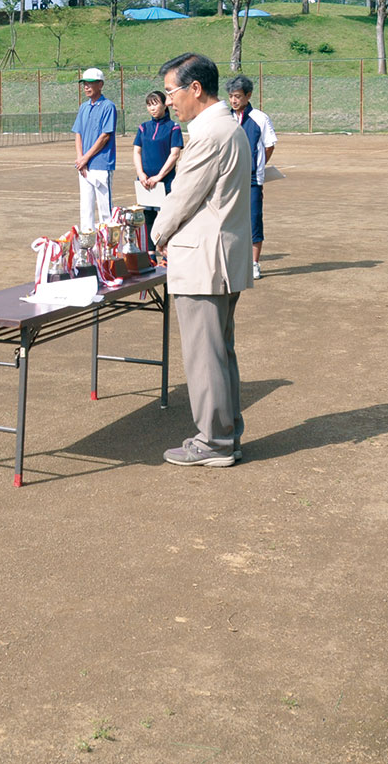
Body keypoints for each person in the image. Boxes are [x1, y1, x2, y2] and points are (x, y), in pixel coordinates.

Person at [151, 53, 253, 467]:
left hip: (202, 260)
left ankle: (213, 442)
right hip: (221, 256)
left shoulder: (209, 134)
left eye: (172, 91)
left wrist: (154, 237)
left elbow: (182, 199)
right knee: (219, 352)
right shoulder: (228, 127)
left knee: (204, 354)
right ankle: (225, 435)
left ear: (195, 88)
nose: (169, 100)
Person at [226, 76, 277, 280]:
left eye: (238, 96)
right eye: (231, 96)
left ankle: (254, 263)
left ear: (248, 95)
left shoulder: (259, 118)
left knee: (254, 219)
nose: (234, 101)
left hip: (252, 180)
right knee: (229, 220)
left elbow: (269, 145)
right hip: (229, 180)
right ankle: (233, 260)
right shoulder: (226, 118)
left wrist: (257, 166)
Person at [131, 90, 183, 254]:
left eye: (155, 104)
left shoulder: (173, 127)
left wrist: (159, 177)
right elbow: (137, 151)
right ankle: (150, 253)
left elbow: (174, 154)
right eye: (149, 105)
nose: (152, 108)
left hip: (165, 182)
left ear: (164, 104)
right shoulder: (143, 127)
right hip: (145, 182)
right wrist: (141, 173)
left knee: (166, 218)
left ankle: (167, 253)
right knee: (147, 218)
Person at [71, 67, 117, 233]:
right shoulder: (83, 107)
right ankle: (88, 249)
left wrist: (85, 158)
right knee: (86, 209)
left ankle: (109, 251)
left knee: (106, 211)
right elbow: (78, 133)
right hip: (84, 167)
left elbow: (105, 137)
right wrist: (80, 159)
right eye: (84, 83)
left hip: (101, 165)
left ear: (100, 84)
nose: (86, 87)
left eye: (90, 83)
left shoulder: (108, 106)